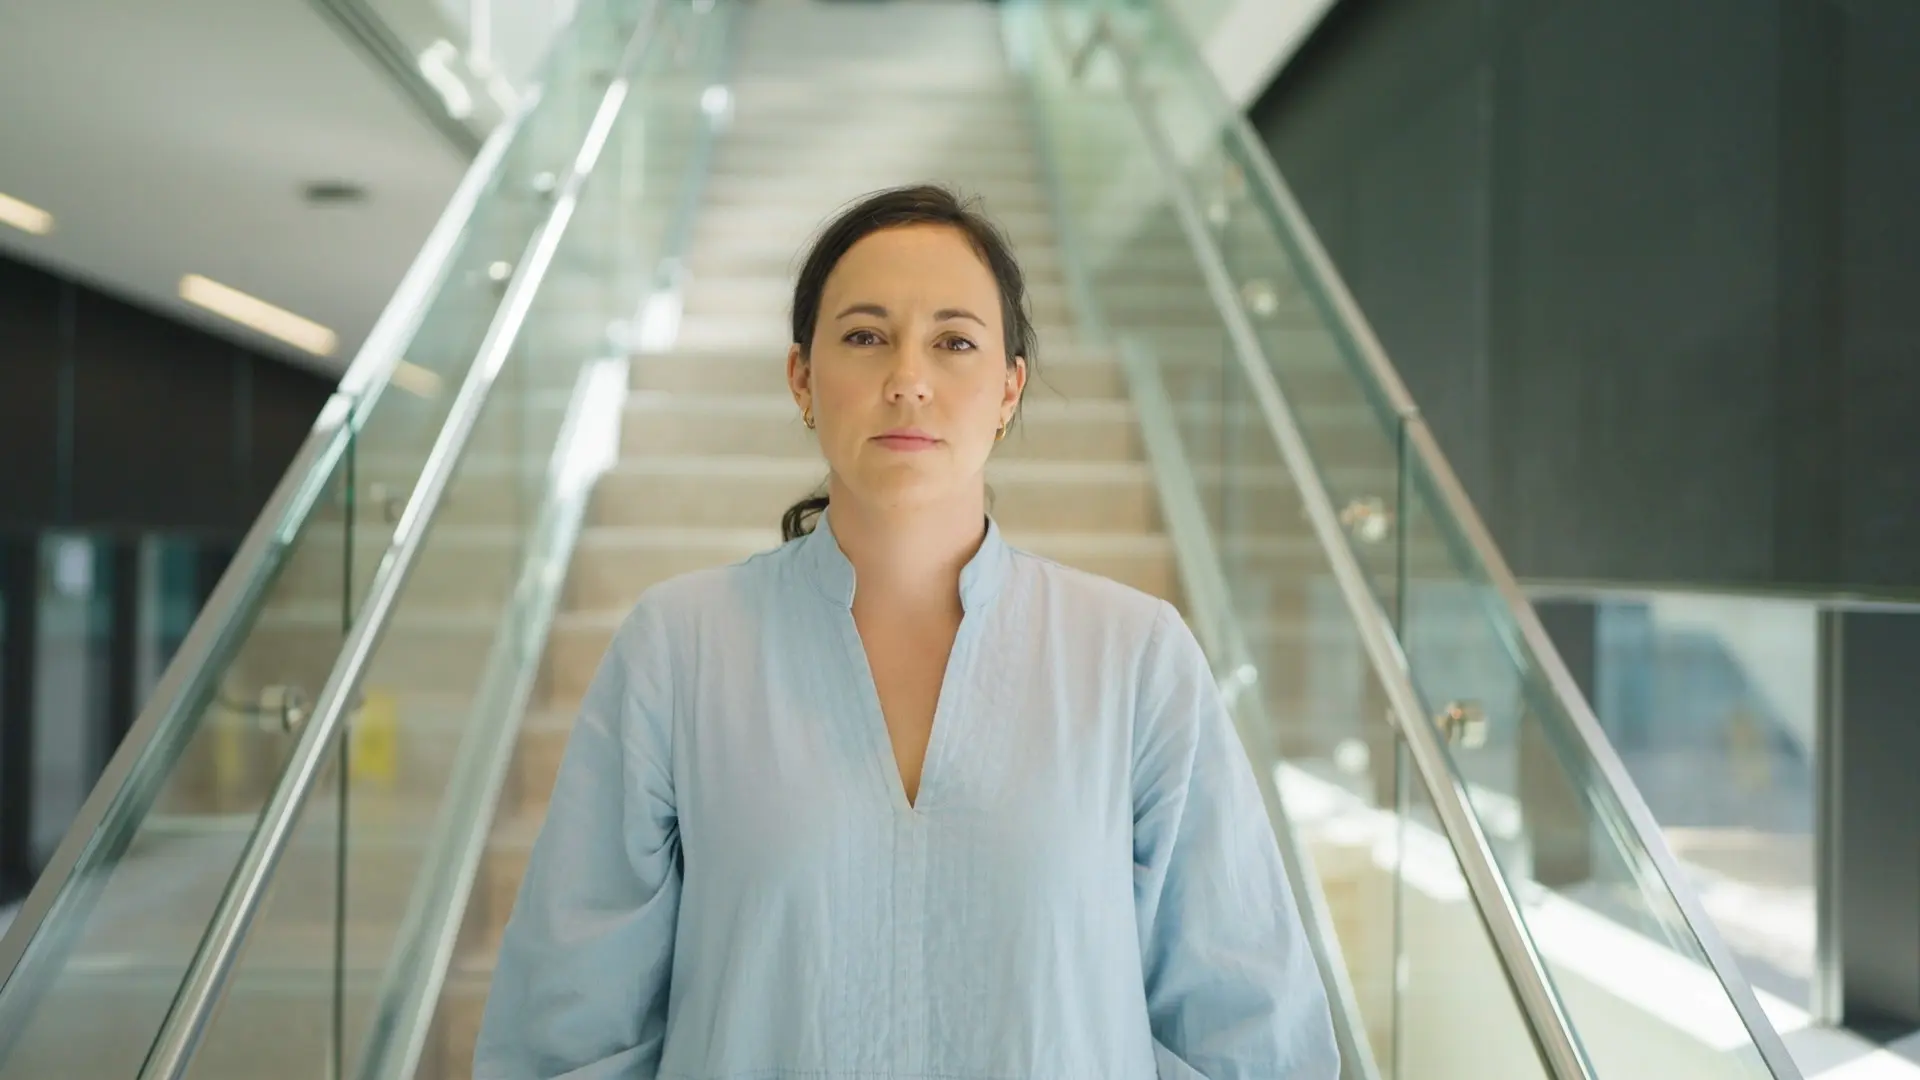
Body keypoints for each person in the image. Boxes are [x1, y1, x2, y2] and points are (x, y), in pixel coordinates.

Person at [472, 184, 1340, 1079]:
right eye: (864, 336)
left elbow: (1250, 1032)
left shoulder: (1136, 659)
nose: (908, 379)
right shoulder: (679, 649)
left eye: (954, 342)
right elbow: (567, 1034)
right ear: (802, 377)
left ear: (1009, 389)